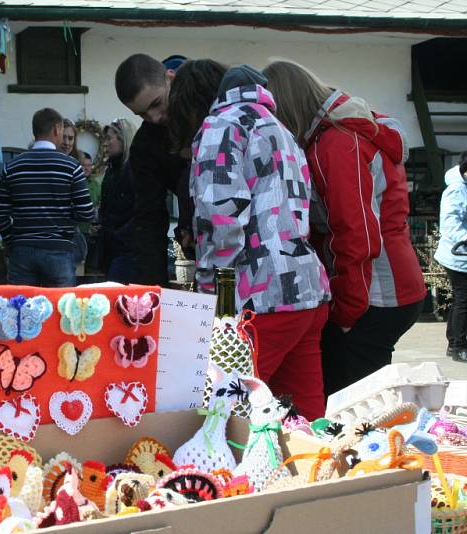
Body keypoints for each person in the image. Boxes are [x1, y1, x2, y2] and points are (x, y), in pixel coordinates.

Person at [168, 62, 330, 419]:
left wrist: (213, 294)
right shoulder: (280, 127)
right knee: (305, 419)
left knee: (223, 415)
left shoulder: (222, 126)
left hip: (257, 299)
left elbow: (220, 219)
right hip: (306, 290)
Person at [264, 60, 427, 395]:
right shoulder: (347, 132)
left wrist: (346, 313)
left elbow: (356, 236)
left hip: (375, 294)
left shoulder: (336, 143)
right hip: (386, 287)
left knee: (351, 410)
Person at [115, 54, 195, 286]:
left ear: (170, 78)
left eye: (156, 104)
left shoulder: (212, 99)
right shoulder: (145, 146)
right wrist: (155, 292)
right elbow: (149, 219)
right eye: (141, 114)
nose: (154, 118)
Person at [0, 108, 94, 287]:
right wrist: (63, 223)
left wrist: (13, 240)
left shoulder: (12, 167)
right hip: (59, 251)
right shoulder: (71, 167)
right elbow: (86, 212)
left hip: (22, 250)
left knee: (20, 309)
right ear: (57, 129)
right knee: (61, 309)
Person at [435, 152, 467, 362]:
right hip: (458, 256)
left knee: (462, 301)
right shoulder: (456, 190)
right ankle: (457, 346)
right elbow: (450, 224)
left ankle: (455, 342)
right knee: (463, 301)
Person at [99, 118, 138, 283]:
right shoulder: (111, 170)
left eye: (109, 138)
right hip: (112, 247)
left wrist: (119, 235)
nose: (105, 144)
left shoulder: (134, 170)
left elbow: (140, 209)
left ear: (123, 139)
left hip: (128, 249)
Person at [58, 119, 88, 271]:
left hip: (73, 239)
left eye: (70, 138)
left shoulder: (76, 165)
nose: (67, 142)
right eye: (63, 137)